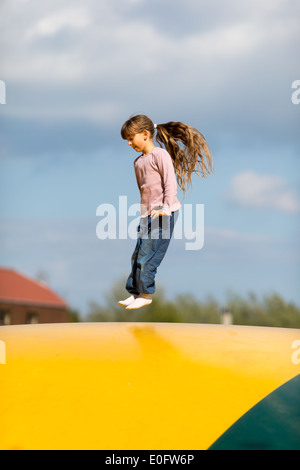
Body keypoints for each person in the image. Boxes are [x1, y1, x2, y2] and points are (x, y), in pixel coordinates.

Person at [118, 114, 214, 310]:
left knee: (148, 256)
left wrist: (166, 208)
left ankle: (145, 294)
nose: (129, 143)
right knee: (137, 255)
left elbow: (169, 184)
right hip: (148, 215)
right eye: (126, 140)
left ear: (145, 134)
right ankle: (135, 292)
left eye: (131, 138)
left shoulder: (160, 155)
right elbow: (143, 190)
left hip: (165, 213)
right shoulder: (138, 162)